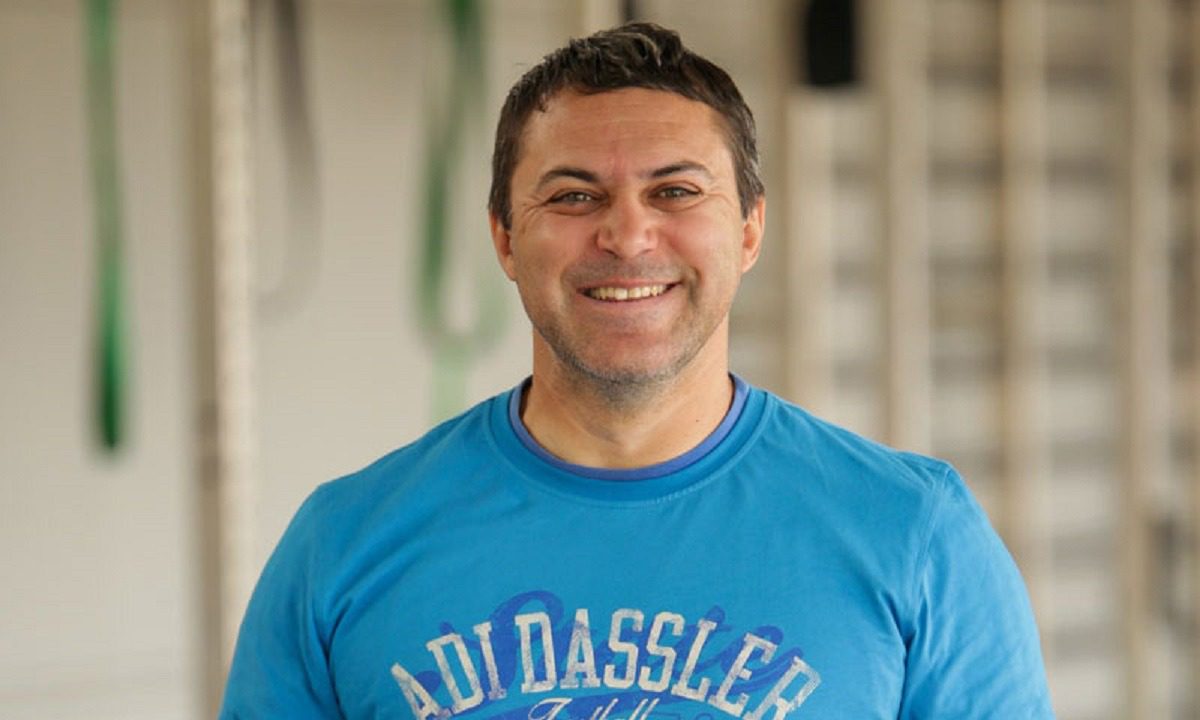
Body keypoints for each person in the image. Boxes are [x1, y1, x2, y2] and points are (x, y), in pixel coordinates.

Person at [221, 22, 1055, 719]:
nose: (626, 236)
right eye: (573, 195)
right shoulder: (343, 546)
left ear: (749, 230)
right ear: (505, 238)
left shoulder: (915, 537)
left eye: (676, 192)